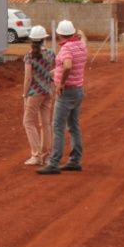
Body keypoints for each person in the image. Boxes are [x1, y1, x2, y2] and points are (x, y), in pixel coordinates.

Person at [37, 20, 87, 175]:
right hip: (78, 90)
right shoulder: (80, 45)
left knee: (57, 127)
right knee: (73, 127)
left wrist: (61, 84)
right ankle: (74, 161)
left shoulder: (66, 49)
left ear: (59, 34)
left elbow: (67, 66)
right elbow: (84, 40)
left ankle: (54, 163)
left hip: (67, 93)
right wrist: (82, 33)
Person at [21, 26, 55, 166]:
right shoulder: (51, 53)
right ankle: (47, 156)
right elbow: (57, 67)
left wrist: (25, 93)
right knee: (45, 123)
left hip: (35, 93)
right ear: (43, 39)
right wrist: (49, 75)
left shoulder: (29, 56)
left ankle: (36, 155)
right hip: (47, 92)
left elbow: (28, 77)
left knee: (28, 122)